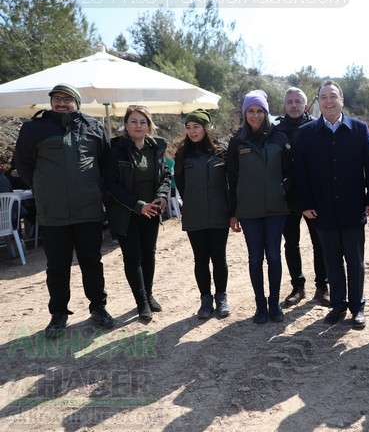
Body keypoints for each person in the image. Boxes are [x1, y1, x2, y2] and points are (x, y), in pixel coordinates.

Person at [13, 83, 114, 338]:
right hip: (52, 212)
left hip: (88, 210)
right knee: (57, 266)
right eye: (56, 99)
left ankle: (98, 307)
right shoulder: (34, 128)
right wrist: (44, 188)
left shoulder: (93, 126)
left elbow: (105, 164)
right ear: (50, 102)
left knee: (92, 262)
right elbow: (24, 165)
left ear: (76, 103)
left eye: (67, 99)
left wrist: (95, 191)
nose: (61, 103)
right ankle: (58, 314)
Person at [293, 80, 369, 328]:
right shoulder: (306, 133)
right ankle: (338, 305)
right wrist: (305, 204)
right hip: (321, 209)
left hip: (353, 207)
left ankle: (357, 307)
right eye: (324, 97)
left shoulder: (360, 129)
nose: (328, 101)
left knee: (355, 260)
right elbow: (300, 172)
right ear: (318, 102)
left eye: (333, 96)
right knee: (331, 261)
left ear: (342, 100)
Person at [228, 90, 291, 324]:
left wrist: (284, 187)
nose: (255, 116)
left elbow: (291, 171)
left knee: (274, 256)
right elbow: (231, 178)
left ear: (266, 113)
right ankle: (260, 306)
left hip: (276, 208)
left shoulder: (280, 137)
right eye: (251, 111)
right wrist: (232, 212)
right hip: (248, 210)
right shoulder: (237, 141)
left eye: (259, 111)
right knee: (255, 258)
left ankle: (274, 304)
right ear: (245, 114)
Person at [104, 105, 171, 321]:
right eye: (133, 121)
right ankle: (141, 302)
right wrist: (138, 204)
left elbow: (165, 176)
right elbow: (112, 184)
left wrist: (162, 195)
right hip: (126, 213)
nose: (138, 125)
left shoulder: (156, 147)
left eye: (143, 122)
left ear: (149, 125)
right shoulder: (115, 149)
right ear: (125, 125)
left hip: (151, 211)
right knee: (133, 259)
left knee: (149, 255)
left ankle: (149, 295)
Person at [273, 87, 330, 307]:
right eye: (290, 102)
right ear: (285, 106)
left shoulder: (318, 126)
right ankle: (298, 286)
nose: (294, 105)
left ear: (305, 105)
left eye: (298, 102)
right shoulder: (276, 131)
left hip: (314, 197)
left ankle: (322, 287)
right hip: (287, 198)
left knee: (320, 243)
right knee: (291, 244)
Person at [174, 109, 232, 319]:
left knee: (219, 258)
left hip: (219, 214)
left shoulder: (221, 151)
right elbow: (180, 184)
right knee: (200, 259)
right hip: (194, 215)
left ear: (205, 128)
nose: (192, 131)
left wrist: (231, 211)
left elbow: (230, 183)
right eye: (188, 128)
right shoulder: (182, 154)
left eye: (196, 127)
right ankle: (205, 299)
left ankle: (222, 297)